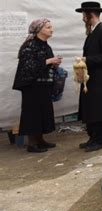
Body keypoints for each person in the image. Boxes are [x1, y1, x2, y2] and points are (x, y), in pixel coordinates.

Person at [13, 19, 62, 153]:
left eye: (51, 27)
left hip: (43, 85)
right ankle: (32, 143)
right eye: (48, 27)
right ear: (39, 30)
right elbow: (28, 66)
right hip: (31, 86)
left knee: (43, 112)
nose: (51, 29)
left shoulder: (46, 46)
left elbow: (45, 64)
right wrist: (49, 61)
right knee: (32, 113)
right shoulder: (29, 45)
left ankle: (40, 140)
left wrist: (54, 63)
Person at [75, 2, 102, 152]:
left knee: (98, 109)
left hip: (99, 79)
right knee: (90, 108)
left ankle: (100, 139)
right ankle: (93, 137)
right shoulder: (92, 33)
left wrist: (87, 60)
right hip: (90, 79)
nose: (83, 19)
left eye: (84, 15)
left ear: (90, 15)